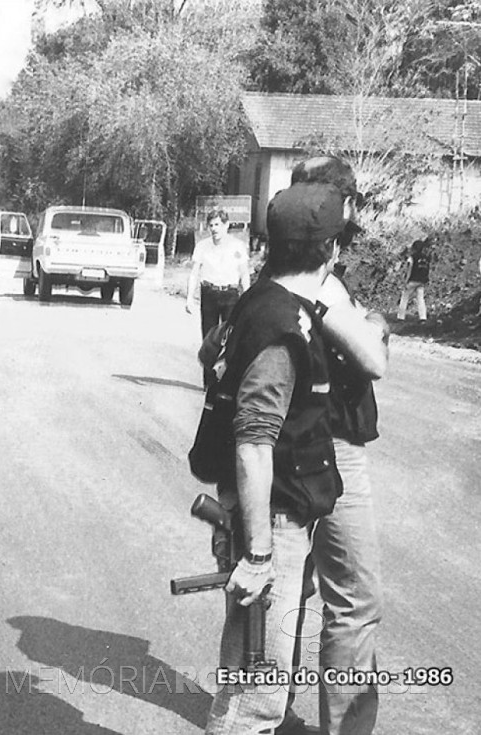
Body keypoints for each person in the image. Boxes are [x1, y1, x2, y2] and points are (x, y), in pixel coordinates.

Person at [197, 182, 346, 735]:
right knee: (252, 698)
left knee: (258, 686)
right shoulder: (284, 325)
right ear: (332, 251)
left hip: (270, 512)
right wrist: (259, 554)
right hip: (272, 522)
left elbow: (208, 353)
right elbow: (255, 438)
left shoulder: (255, 303)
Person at [274, 155, 388, 735]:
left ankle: (265, 716)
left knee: (287, 593)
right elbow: (374, 357)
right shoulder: (323, 284)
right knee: (353, 602)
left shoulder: (275, 276)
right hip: (332, 448)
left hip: (289, 447)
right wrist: (369, 325)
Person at [187, 210, 251, 385]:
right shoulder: (202, 246)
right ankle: (209, 382)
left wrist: (248, 297)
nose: (214, 229)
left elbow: (244, 273)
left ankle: (226, 382)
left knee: (231, 338)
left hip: (230, 295)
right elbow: (194, 273)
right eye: (211, 225)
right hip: (209, 294)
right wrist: (189, 299)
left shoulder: (237, 246)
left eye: (217, 225)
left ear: (226, 225)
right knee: (209, 338)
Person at [397, 237, 431, 321]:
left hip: (412, 280)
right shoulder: (426, 258)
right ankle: (423, 318)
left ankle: (400, 317)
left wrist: (406, 281)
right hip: (422, 281)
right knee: (420, 299)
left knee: (404, 297)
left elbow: (409, 269)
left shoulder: (412, 257)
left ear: (414, 248)